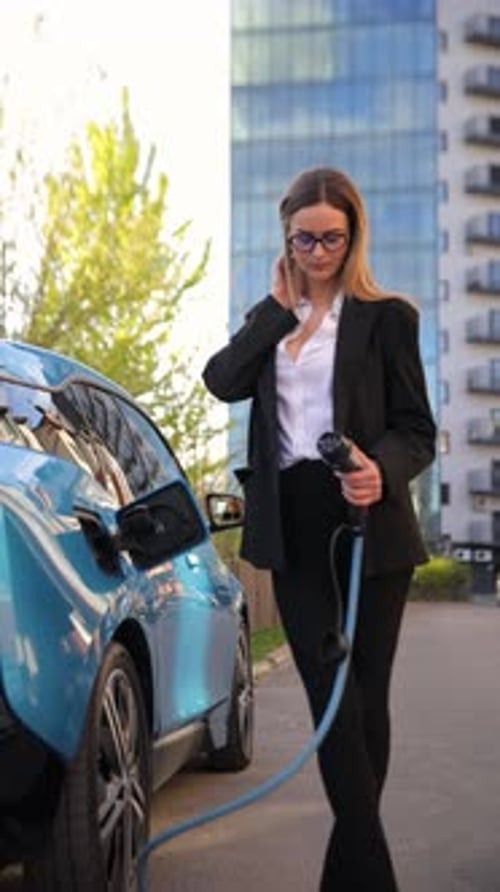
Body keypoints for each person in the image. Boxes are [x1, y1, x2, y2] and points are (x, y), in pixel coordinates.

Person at [202, 167, 436, 891]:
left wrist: (381, 470)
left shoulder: (388, 317)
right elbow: (220, 381)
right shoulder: (267, 318)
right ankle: (373, 873)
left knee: (366, 697)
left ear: (353, 234)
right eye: (304, 237)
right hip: (294, 522)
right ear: (287, 237)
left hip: (370, 519)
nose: (318, 250)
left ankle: (351, 873)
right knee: (328, 690)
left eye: (332, 237)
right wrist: (278, 309)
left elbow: (417, 430)